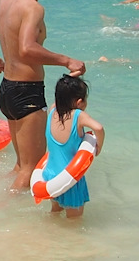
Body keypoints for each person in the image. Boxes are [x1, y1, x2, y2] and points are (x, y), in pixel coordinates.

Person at [0, 0, 86, 193]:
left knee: (21, 165)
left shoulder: (5, 0)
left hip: (8, 90)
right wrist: (67, 61)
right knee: (32, 168)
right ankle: (1, 215)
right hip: (27, 93)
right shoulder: (33, 8)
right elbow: (27, 48)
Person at [40, 74, 104, 220]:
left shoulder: (52, 110)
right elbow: (98, 128)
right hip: (70, 179)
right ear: (79, 102)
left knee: (55, 213)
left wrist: (67, 80)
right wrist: (98, 147)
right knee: (74, 222)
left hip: (50, 176)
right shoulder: (79, 115)